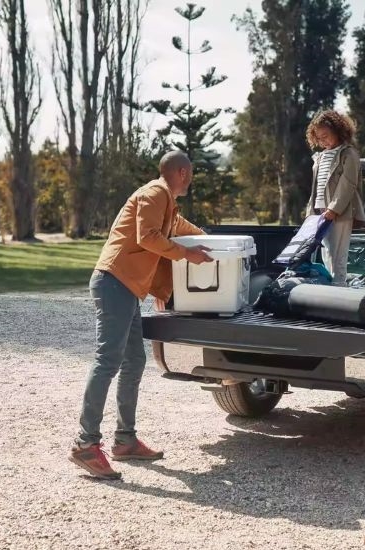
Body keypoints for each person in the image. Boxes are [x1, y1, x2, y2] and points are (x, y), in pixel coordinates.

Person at [69, 151, 212, 481]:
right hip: (113, 281)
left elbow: (180, 227)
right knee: (108, 360)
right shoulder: (154, 193)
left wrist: (215, 243)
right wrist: (187, 254)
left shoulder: (167, 202)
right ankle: (85, 444)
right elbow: (147, 236)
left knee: (134, 360)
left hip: (127, 287)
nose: (190, 178)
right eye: (189, 173)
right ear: (181, 172)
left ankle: (125, 439)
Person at [305, 110, 365, 285]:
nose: (323, 141)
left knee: (337, 256)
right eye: (319, 138)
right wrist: (312, 211)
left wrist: (334, 209)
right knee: (327, 253)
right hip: (320, 212)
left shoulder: (349, 154)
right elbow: (316, 186)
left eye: (326, 136)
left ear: (338, 131)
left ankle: (339, 289)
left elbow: (347, 184)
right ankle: (330, 290)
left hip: (339, 212)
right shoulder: (320, 156)